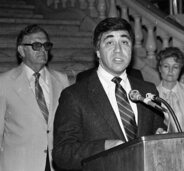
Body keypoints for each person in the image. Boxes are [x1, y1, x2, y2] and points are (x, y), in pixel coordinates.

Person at [52, 17, 165, 170]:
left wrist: (161, 137)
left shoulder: (148, 90)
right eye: (110, 42)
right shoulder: (74, 95)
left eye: (124, 42)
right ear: (98, 51)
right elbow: (62, 154)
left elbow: (157, 131)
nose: (118, 49)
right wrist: (106, 146)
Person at [0, 24, 70, 171]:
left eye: (46, 45)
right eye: (37, 45)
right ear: (21, 50)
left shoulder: (61, 80)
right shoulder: (4, 83)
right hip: (19, 165)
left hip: (55, 164)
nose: (43, 49)